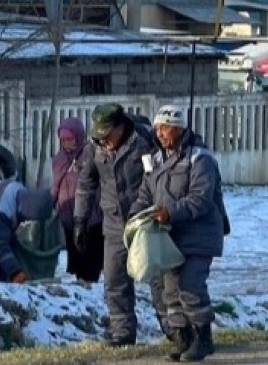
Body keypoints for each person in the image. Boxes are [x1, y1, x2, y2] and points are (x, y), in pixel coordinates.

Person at [132, 104, 227, 362]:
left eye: (165, 128)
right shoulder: (155, 160)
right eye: (157, 128)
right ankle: (183, 339)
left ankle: (203, 338)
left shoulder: (201, 159)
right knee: (170, 291)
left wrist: (170, 213)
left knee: (190, 285)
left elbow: (200, 199)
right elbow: (145, 194)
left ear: (179, 128)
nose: (160, 133)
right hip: (169, 238)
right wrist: (135, 216)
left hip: (199, 236)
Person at [75, 103, 167, 348]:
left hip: (145, 220)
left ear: (119, 127)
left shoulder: (144, 143)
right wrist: (79, 220)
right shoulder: (94, 148)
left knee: (158, 278)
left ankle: (173, 329)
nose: (103, 141)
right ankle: (122, 332)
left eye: (107, 135)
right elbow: (85, 184)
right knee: (115, 280)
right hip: (113, 223)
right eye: (99, 136)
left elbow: (158, 179)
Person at [51, 117, 103, 283]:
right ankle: (79, 281)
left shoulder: (91, 154)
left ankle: (91, 282)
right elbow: (55, 184)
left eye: (70, 139)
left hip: (90, 214)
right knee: (74, 253)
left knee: (91, 253)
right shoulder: (59, 159)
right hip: (67, 215)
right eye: (63, 140)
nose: (67, 143)